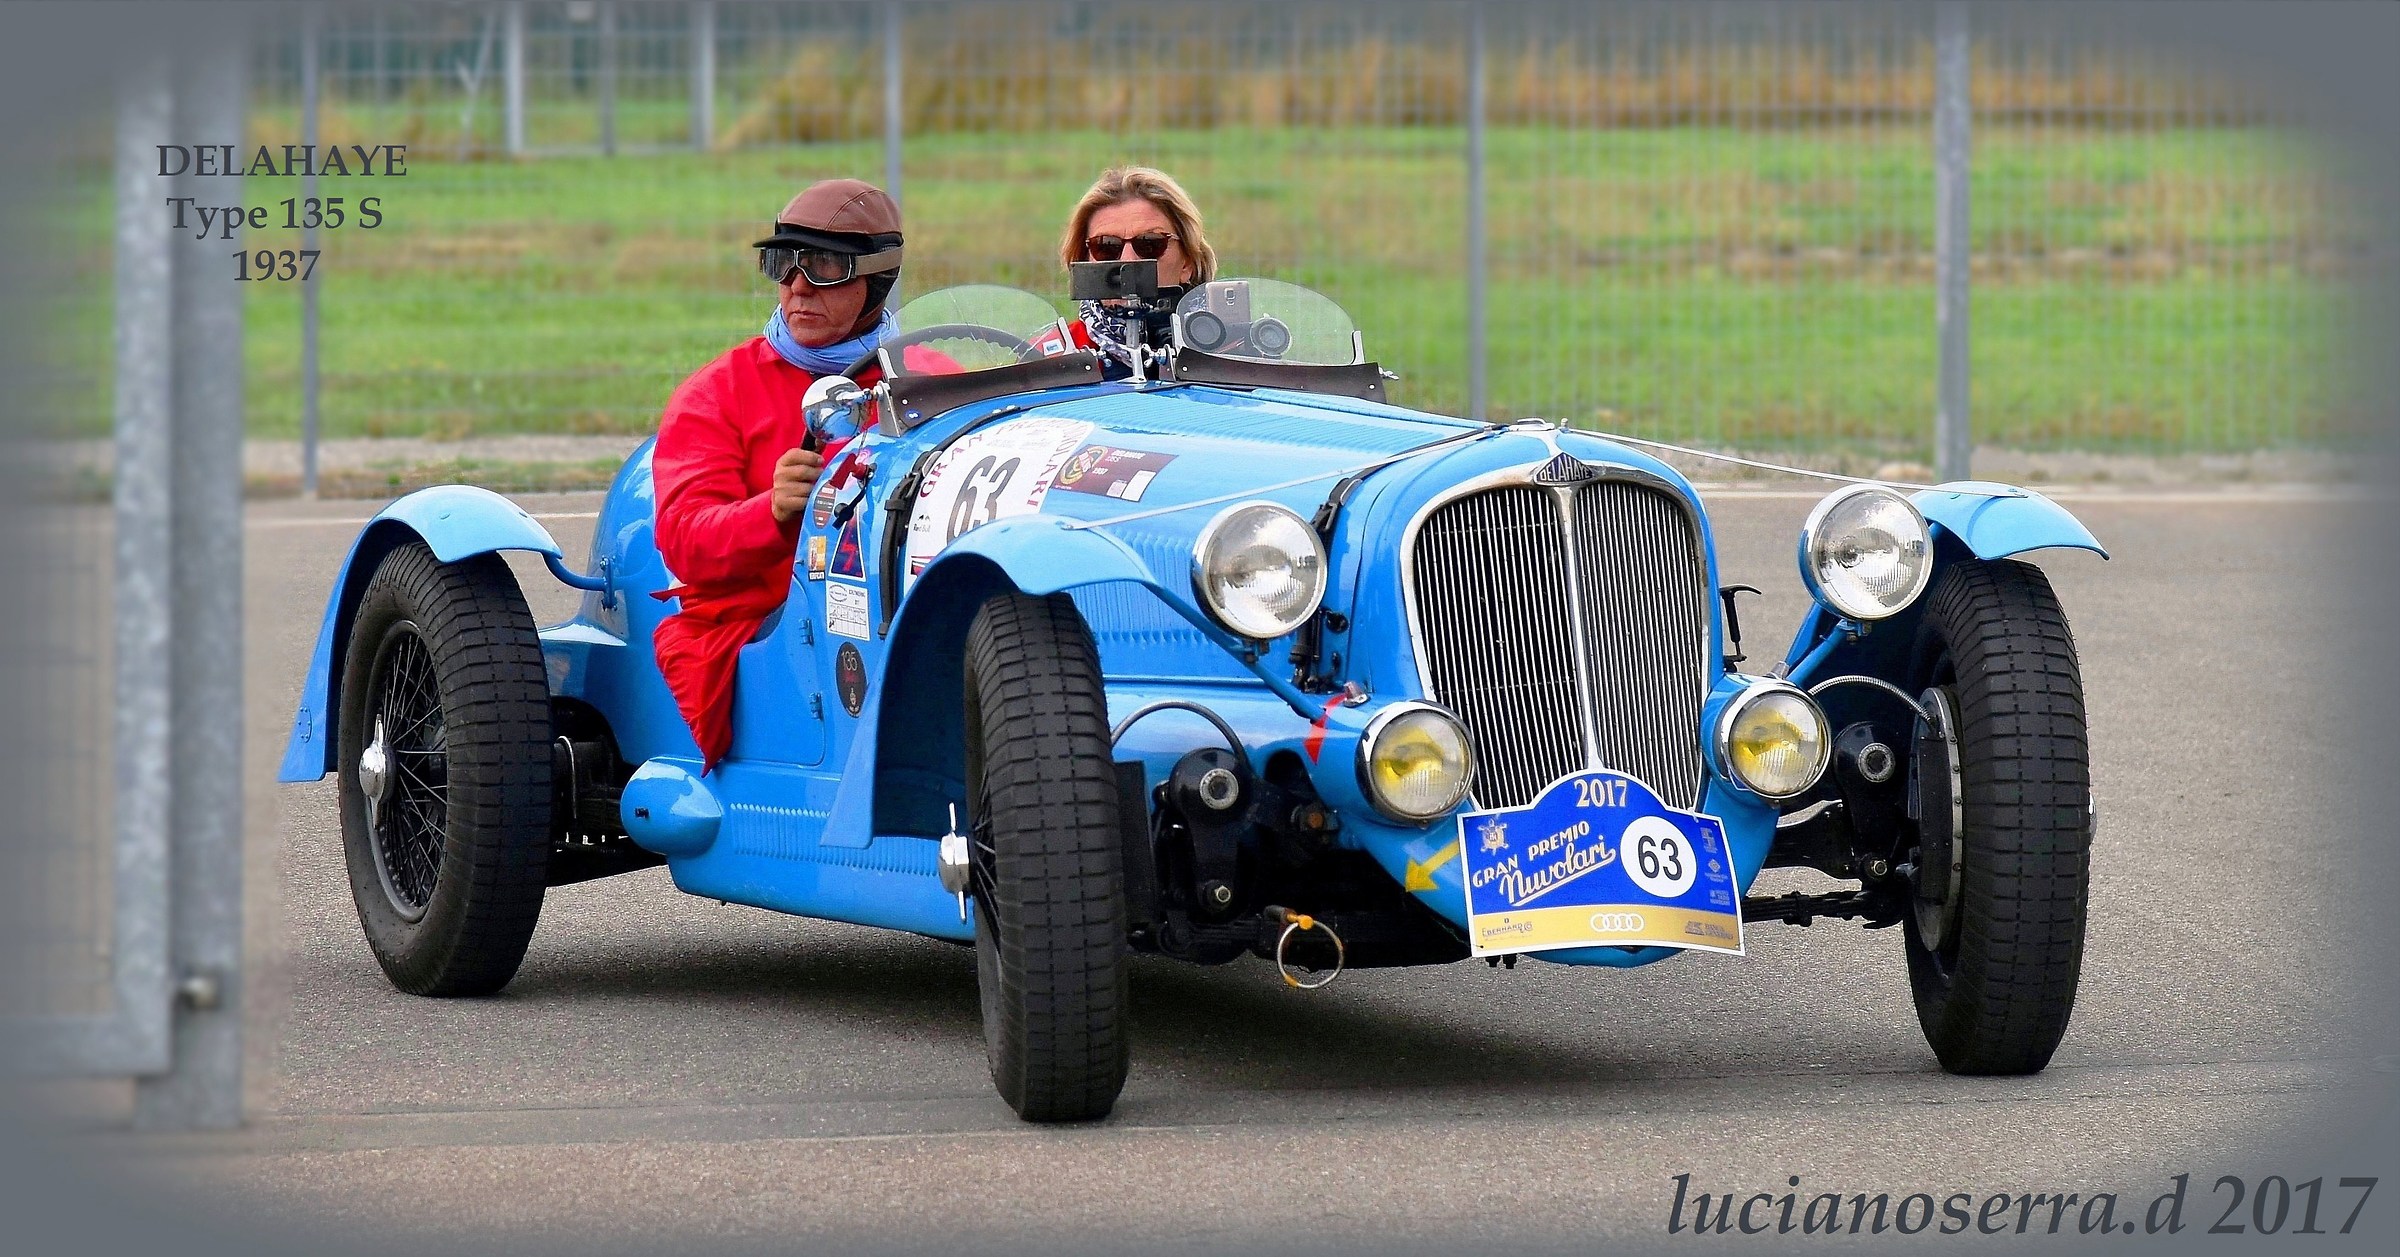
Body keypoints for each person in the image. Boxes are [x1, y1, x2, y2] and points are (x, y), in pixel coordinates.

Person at [649, 178, 905, 771]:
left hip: (902, 610)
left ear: (876, 280)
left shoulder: (928, 374)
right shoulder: (716, 392)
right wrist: (770, 509)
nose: (797, 286)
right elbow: (683, 540)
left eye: (824, 265)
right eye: (782, 264)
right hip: (776, 626)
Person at [1057, 166, 1218, 379]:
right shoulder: (1057, 356)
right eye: (1106, 246)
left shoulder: (1225, 351)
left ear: (1186, 263)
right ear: (1084, 260)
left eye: (1150, 244)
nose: (1128, 261)